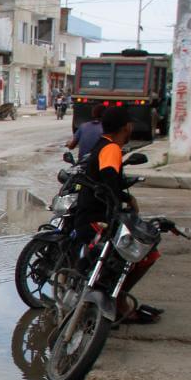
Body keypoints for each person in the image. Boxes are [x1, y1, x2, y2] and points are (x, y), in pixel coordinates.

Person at [73, 106, 163, 323]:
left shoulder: (101, 145)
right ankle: (120, 299)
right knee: (147, 254)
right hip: (96, 219)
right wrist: (125, 199)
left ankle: (116, 296)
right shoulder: (111, 149)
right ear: (126, 127)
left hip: (88, 215)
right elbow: (109, 183)